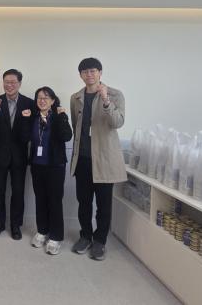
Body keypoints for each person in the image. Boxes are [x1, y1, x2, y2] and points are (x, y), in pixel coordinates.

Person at [70, 58, 126, 260]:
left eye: (93, 70)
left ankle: (100, 241)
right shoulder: (76, 97)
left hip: (104, 159)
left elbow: (117, 122)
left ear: (100, 72)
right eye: (85, 71)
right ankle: (85, 236)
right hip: (83, 159)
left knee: (103, 204)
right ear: (81, 75)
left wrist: (106, 101)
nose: (89, 74)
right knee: (83, 202)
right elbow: (76, 125)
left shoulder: (115, 94)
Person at [21, 87, 72, 255]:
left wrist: (63, 116)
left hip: (55, 166)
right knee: (40, 199)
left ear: (52, 100)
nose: (42, 101)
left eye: (46, 98)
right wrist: (24, 120)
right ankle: (42, 231)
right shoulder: (33, 117)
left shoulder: (59, 116)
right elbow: (23, 138)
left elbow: (67, 136)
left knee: (55, 201)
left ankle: (55, 237)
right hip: (37, 165)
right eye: (39, 98)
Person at [0, 69, 34, 240]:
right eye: (6, 82)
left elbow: (30, 131)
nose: (9, 85)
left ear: (19, 83)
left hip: (19, 156)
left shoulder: (29, 103)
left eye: (13, 82)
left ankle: (16, 226)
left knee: (18, 192)